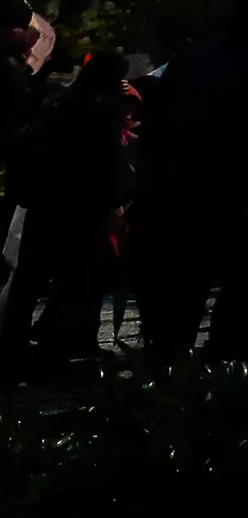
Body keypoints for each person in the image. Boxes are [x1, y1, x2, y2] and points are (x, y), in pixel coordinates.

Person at [128, 0, 248, 360]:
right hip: (224, 201)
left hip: (167, 191)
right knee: (204, 290)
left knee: (171, 296)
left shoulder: (190, 58)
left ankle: (163, 362)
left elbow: (159, 119)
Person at [2, 49, 133, 379]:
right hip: (81, 209)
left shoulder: (57, 101)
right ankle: (56, 354)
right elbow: (110, 164)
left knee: (28, 281)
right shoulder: (103, 110)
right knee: (72, 281)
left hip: (44, 203)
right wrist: (121, 195)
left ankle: (11, 349)